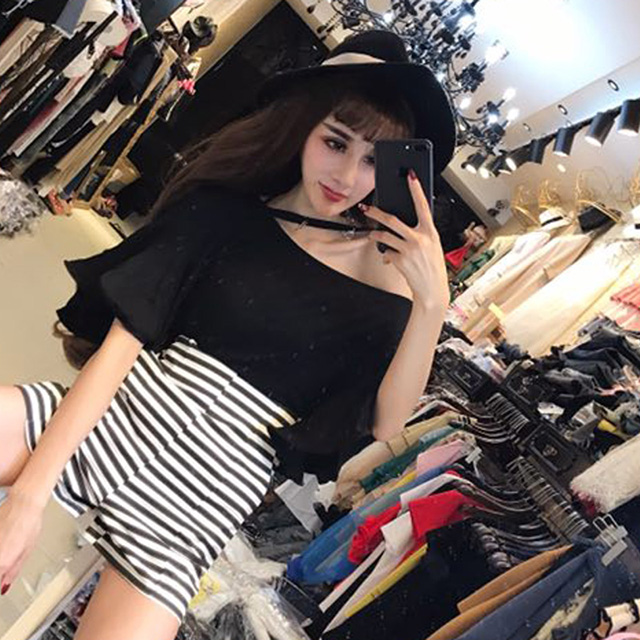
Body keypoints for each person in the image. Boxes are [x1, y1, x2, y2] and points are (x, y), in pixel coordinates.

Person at [0, 30, 455, 640]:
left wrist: (432, 305)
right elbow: (122, 344)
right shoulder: (227, 211)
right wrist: (29, 497)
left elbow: (387, 422)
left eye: (374, 160)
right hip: (122, 412)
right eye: (335, 142)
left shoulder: (390, 278)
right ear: (304, 125)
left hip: (203, 496)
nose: (348, 175)